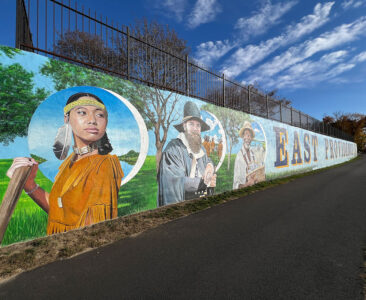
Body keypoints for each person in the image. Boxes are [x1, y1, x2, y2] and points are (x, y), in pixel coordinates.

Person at [6, 92, 124, 235]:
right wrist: (29, 184)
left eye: (99, 115)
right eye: (82, 112)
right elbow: (60, 211)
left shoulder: (104, 164)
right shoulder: (70, 160)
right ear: (67, 119)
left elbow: (94, 232)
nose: (92, 120)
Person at [157, 101, 216, 206]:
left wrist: (210, 166)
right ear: (184, 126)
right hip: (185, 206)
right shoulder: (173, 149)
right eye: (191, 124)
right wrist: (204, 182)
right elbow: (175, 181)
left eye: (198, 125)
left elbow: (208, 160)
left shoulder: (200, 147)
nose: (195, 129)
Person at [233, 121, 264, 189]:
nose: (248, 137)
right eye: (246, 134)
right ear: (243, 137)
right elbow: (236, 184)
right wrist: (247, 184)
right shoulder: (239, 156)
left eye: (250, 135)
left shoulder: (253, 154)